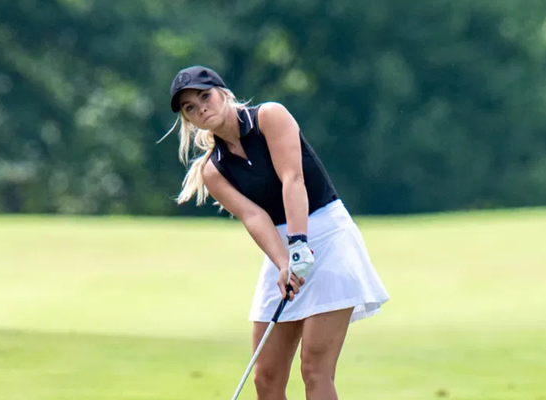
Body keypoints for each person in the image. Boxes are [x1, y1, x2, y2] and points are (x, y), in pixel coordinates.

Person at [163, 65, 390, 400]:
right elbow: (255, 217)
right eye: (190, 108)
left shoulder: (270, 117)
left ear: (223, 93)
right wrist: (284, 261)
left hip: (326, 234)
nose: (201, 109)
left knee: (314, 369)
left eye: (204, 97)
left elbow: (292, 179)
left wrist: (299, 244)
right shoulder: (213, 170)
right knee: (266, 378)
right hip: (280, 248)